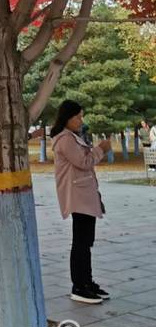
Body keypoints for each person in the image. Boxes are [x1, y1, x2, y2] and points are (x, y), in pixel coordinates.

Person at [50, 99, 112, 305]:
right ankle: (79, 286)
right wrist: (101, 149)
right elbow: (84, 162)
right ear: (67, 118)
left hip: (85, 194)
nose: (80, 120)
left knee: (86, 241)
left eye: (81, 116)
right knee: (81, 243)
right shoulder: (65, 139)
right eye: (77, 116)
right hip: (77, 196)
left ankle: (87, 282)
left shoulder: (72, 137)